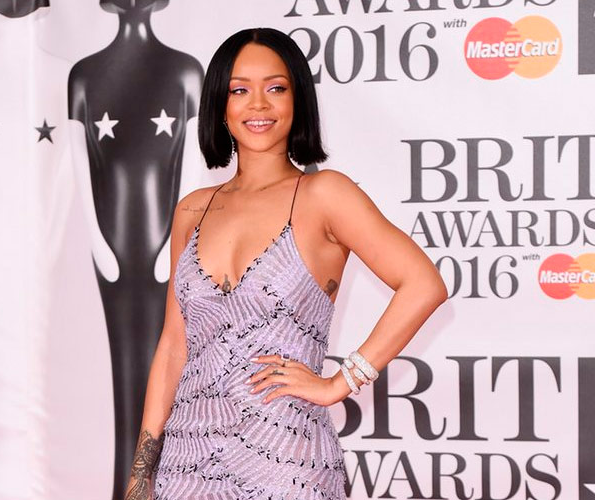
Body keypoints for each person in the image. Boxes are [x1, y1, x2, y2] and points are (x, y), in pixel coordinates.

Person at [123, 27, 447, 500]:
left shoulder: (325, 194)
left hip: (287, 462)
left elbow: (424, 284)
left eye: (276, 88)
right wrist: (139, 477)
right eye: (239, 90)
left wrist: (340, 381)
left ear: (298, 102)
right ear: (219, 105)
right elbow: (175, 345)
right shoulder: (192, 209)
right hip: (186, 463)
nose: (258, 104)